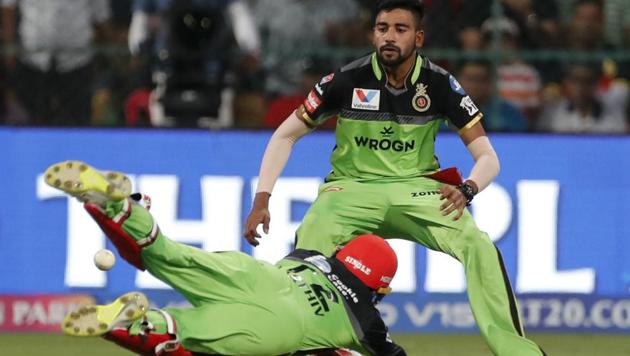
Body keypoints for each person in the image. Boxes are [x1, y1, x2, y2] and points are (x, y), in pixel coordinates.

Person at [244, 1, 546, 355]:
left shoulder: (440, 84)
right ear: (373, 34)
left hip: (416, 189)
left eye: (400, 29)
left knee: (480, 247)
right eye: (382, 28)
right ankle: (304, 346)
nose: (389, 36)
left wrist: (467, 189)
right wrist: (262, 199)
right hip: (350, 190)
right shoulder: (345, 80)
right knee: (308, 259)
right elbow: (284, 135)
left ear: (418, 38)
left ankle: (516, 351)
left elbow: (488, 158)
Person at [44, 160, 406, 356]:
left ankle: (122, 209)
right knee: (189, 332)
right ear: (377, 285)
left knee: (167, 254)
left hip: (256, 274)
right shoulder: (367, 320)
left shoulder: (310, 258)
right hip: (281, 324)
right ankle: (143, 323)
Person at [1, 0, 112, 126]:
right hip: (33, 60)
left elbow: (101, 16)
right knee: (32, 122)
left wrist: (110, 47)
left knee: (77, 125)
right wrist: (10, 49)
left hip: (76, 61)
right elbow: (8, 8)